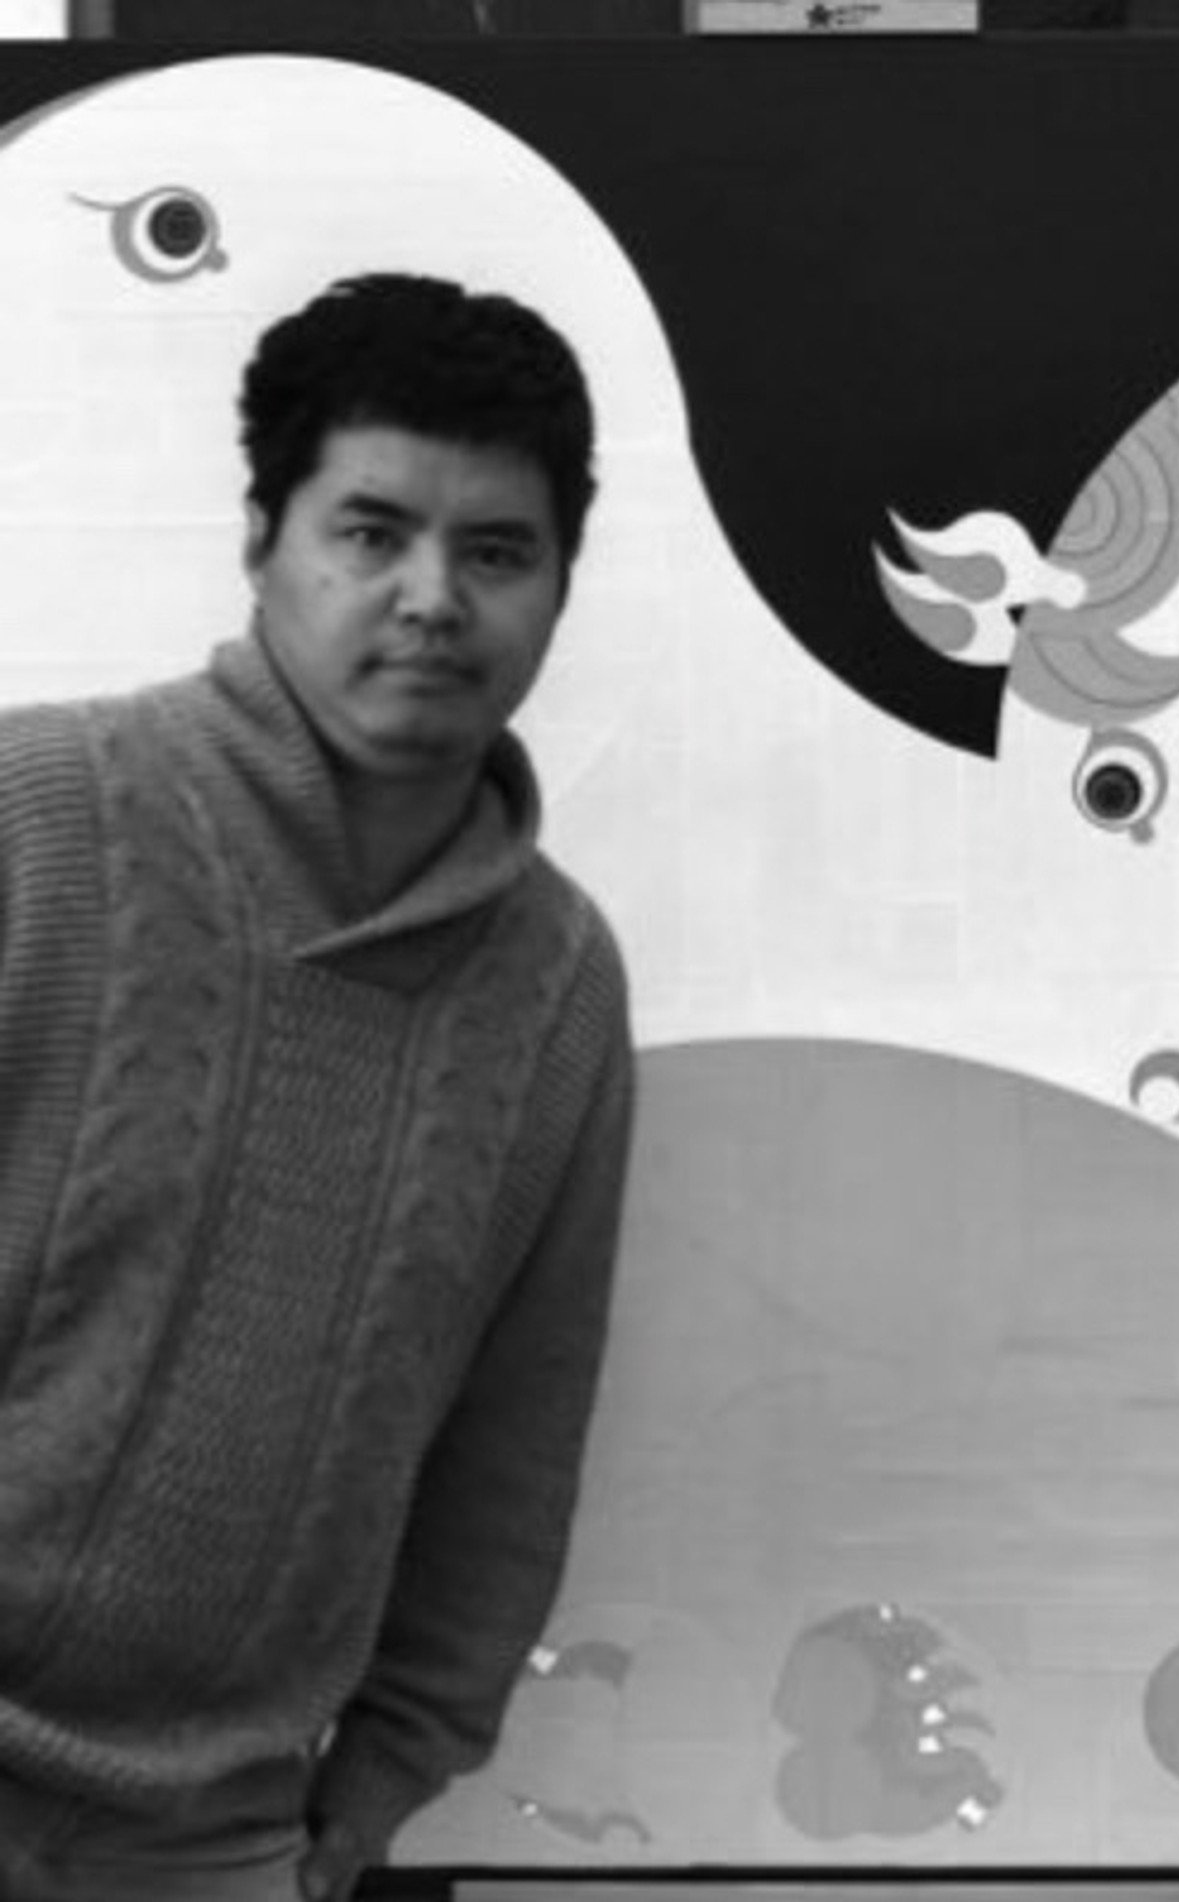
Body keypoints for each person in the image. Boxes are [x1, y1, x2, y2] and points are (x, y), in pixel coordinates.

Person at [0, 272, 634, 1901]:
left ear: (561, 586)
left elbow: (513, 1437)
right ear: (261, 538)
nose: (430, 597)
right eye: (370, 531)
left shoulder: (559, 983)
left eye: (496, 551)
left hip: (215, 1838)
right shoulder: (35, 817)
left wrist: (381, 1783)